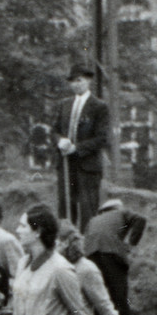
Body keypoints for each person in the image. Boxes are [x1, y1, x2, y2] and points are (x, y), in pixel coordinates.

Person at [50, 62, 111, 230]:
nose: (76, 85)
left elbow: (101, 138)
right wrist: (59, 140)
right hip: (65, 165)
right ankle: (66, 247)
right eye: (73, 81)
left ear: (88, 81)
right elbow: (54, 130)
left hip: (87, 167)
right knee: (66, 210)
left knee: (87, 212)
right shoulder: (64, 105)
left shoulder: (99, 107)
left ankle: (86, 248)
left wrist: (76, 148)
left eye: (79, 80)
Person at [82, 196, 147, 315]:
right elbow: (140, 219)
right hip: (111, 253)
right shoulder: (121, 213)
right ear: (118, 208)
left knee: (97, 295)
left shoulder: (93, 220)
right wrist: (131, 242)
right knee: (120, 296)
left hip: (91, 255)